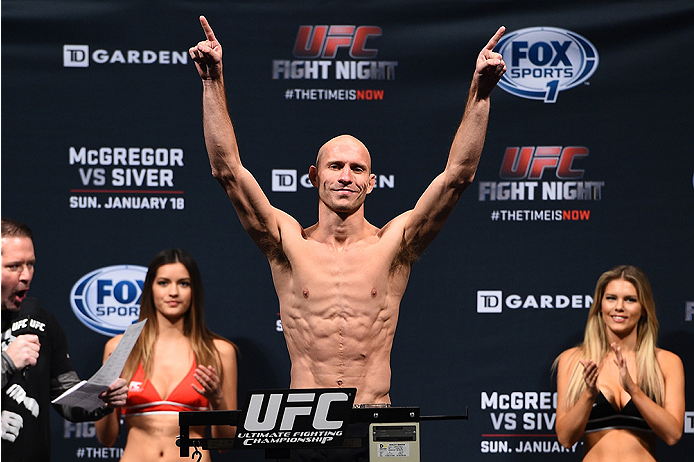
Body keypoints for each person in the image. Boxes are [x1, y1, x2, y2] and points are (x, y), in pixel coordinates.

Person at [190, 14, 505, 405]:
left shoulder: (395, 243)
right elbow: (228, 171)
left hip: (376, 415)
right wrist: (211, 81)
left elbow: (457, 176)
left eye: (357, 169)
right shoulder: (287, 243)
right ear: (313, 176)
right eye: (335, 166)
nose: (345, 176)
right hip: (307, 419)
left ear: (371, 183)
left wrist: (481, 93)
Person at [1, 218, 128, 462]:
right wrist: (8, 361)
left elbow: (67, 400)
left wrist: (101, 398)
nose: (26, 275)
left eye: (31, 264)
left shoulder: (42, 322)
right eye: (14, 266)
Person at [95, 248, 237, 462]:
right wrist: (106, 405)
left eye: (183, 283)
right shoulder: (119, 349)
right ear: (150, 288)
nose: (173, 292)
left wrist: (217, 400)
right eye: (163, 283)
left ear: (194, 290)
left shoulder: (219, 352)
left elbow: (225, 445)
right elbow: (106, 440)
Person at [554, 265, 685, 461]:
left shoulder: (666, 362)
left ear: (643, 309)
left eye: (630, 300)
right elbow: (565, 438)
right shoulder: (574, 360)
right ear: (600, 305)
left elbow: (673, 434)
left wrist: (634, 390)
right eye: (611, 298)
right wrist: (589, 395)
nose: (619, 307)